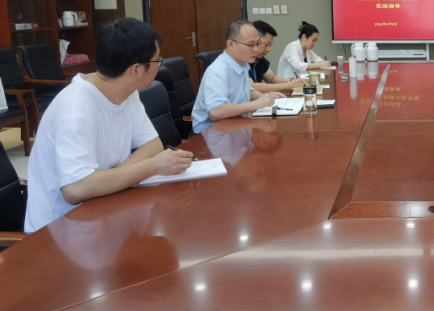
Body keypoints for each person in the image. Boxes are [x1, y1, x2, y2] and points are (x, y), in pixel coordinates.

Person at [24, 18, 194, 233]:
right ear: (136, 69)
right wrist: (152, 167)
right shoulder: (77, 110)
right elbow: (76, 189)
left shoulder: (127, 92)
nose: (159, 65)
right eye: (156, 61)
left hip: (106, 210)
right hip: (60, 230)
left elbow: (153, 145)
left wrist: (110, 179)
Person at [191, 19, 287, 134]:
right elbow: (215, 111)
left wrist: (264, 97)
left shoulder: (242, 64)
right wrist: (256, 104)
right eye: (251, 45)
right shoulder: (218, 71)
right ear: (231, 44)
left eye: (257, 44)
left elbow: (247, 91)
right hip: (210, 131)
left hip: (234, 122)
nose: (255, 49)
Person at [249, 20, 307, 93]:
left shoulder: (259, 59)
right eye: (266, 44)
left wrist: (291, 81)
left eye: (270, 46)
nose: (268, 49)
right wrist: (288, 85)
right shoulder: (242, 59)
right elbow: (251, 86)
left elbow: (271, 78)